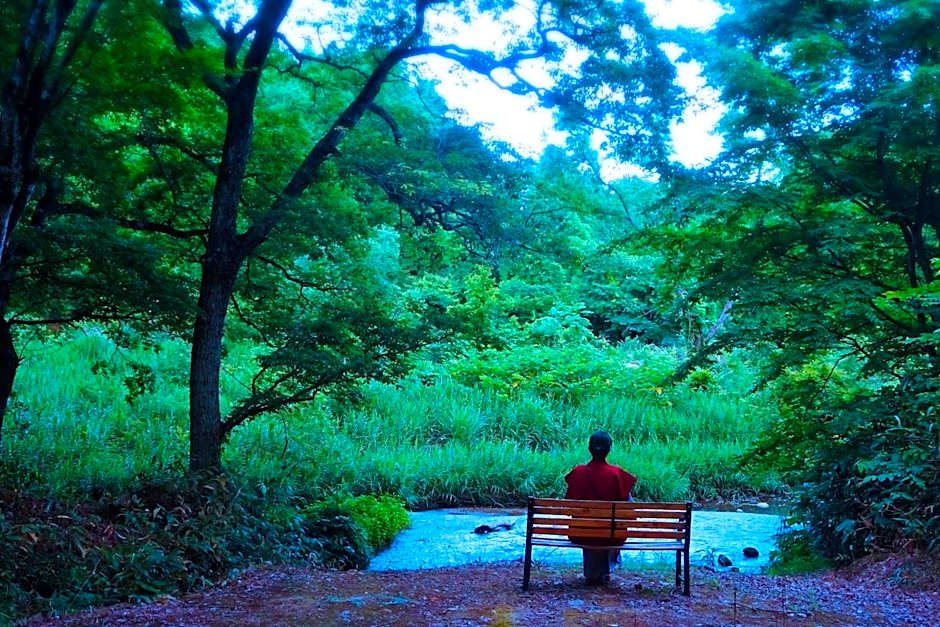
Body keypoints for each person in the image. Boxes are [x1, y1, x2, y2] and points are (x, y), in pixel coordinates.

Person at [564, 430, 638, 586]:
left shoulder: (578, 472)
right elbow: (630, 510)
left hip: (580, 533)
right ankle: (604, 572)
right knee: (611, 528)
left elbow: (569, 506)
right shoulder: (616, 474)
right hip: (612, 535)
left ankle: (593, 574)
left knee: (591, 528)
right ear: (609, 449)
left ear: (589, 448)